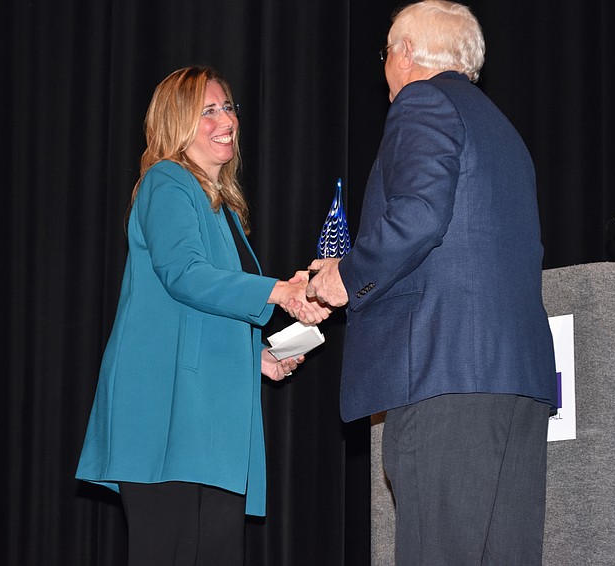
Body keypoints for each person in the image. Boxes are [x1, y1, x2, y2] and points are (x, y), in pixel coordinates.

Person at [306, 2, 558, 564]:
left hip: (445, 374)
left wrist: (346, 276)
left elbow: (419, 215)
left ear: (407, 52)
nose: (385, 67)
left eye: (387, 51)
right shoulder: (502, 129)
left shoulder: (423, 101)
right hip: (516, 382)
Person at [76, 65, 330, 566]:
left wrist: (259, 356)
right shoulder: (167, 181)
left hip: (209, 417)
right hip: (168, 413)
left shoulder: (223, 208)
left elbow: (203, 308)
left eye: (228, 107)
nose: (226, 120)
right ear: (175, 125)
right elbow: (184, 275)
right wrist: (280, 291)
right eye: (207, 111)